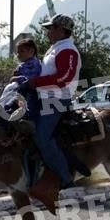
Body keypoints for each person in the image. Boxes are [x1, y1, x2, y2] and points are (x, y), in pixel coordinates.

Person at [14, 14, 90, 188]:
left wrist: (34, 82)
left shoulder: (68, 50)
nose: (48, 32)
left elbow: (64, 77)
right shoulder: (56, 48)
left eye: (51, 28)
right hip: (43, 97)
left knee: (42, 137)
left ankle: (66, 179)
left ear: (61, 30)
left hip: (57, 100)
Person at [0, 37, 42, 122]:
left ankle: (8, 107)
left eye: (22, 51)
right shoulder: (25, 64)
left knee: (16, 93)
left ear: (31, 52)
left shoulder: (33, 64)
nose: (18, 54)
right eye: (18, 52)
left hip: (28, 88)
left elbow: (28, 78)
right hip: (24, 88)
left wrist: (15, 78)